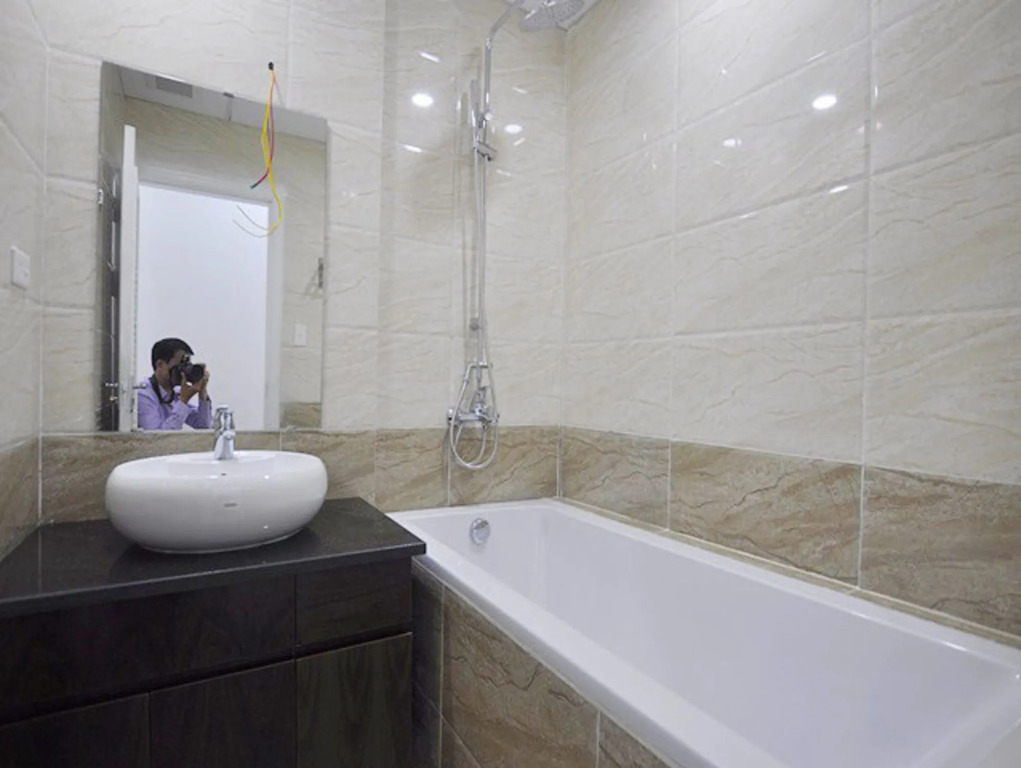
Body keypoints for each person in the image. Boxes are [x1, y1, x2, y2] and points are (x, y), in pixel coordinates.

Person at [137, 338, 212, 430]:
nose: (183, 373)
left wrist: (202, 393)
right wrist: (183, 401)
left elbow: (203, 426)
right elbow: (158, 436)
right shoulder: (144, 395)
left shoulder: (175, 394)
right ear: (160, 365)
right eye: (180, 366)